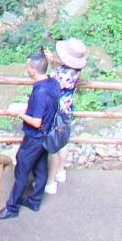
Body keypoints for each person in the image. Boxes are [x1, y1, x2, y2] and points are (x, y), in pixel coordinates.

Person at [0, 52, 61, 219]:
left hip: (35, 137)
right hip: (47, 135)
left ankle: (12, 207)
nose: (27, 69)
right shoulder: (53, 83)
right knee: (41, 168)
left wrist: (19, 113)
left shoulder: (40, 92)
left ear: (33, 70)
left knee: (22, 170)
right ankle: (34, 200)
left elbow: (36, 122)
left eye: (27, 67)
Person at [50, 37, 87, 186]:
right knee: (63, 142)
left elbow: (51, 83)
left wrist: (50, 66)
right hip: (67, 110)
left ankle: (50, 179)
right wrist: (53, 62)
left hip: (56, 111)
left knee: (52, 143)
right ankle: (60, 171)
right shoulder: (75, 72)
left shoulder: (64, 74)